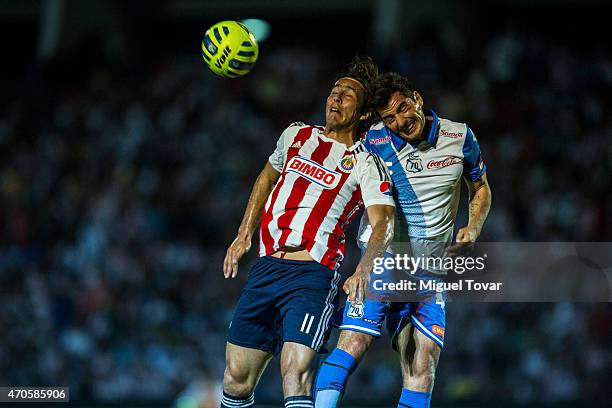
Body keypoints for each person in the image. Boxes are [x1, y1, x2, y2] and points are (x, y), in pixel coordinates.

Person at [220, 57, 396, 408]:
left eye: (348, 95)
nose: (337, 98)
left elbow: (384, 221)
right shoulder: (296, 134)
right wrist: (244, 234)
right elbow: (266, 177)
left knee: (295, 371)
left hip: (312, 274)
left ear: (363, 113)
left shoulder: (364, 161)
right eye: (335, 91)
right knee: (236, 378)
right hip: (267, 267)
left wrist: (363, 268)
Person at [315, 72, 492, 408]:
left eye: (401, 109)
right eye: (389, 118)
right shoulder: (373, 141)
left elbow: (480, 187)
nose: (399, 122)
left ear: (417, 98)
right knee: (353, 344)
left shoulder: (459, 135)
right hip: (384, 260)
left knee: (422, 364)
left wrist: (473, 227)